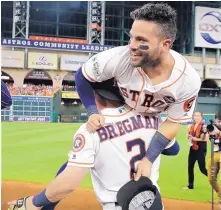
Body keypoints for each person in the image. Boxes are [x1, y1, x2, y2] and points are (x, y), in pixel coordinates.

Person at [75, 3, 201, 180]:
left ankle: (162, 141)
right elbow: (82, 76)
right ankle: (45, 203)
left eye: (141, 41)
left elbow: (173, 123)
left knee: (173, 150)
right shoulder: (119, 57)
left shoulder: (188, 80)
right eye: (131, 38)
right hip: (123, 105)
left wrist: (148, 160)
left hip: (155, 118)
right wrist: (92, 112)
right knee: (91, 146)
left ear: (165, 44)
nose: (132, 46)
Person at [8, 86, 179, 210]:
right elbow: (174, 149)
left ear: (97, 98)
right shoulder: (152, 118)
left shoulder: (91, 129)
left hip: (118, 205)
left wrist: (33, 202)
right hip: (152, 202)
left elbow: (67, 184)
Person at [183, 111, 208, 190]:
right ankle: (190, 185)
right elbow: (188, 137)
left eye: (198, 115)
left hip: (201, 149)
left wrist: (195, 138)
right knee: (190, 167)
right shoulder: (192, 126)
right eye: (195, 115)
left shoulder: (204, 126)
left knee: (202, 169)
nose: (196, 117)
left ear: (201, 117)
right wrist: (187, 130)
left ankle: (214, 181)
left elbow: (206, 139)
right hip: (193, 148)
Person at [207, 111, 221, 202]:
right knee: (211, 179)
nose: (219, 122)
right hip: (214, 154)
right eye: (218, 120)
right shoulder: (213, 129)